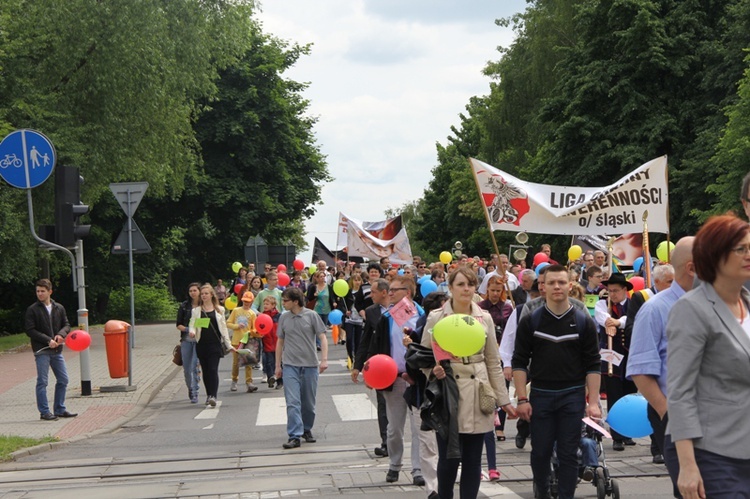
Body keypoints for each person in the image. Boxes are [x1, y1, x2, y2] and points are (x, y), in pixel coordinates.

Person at [665, 215, 750, 498]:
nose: (749, 255)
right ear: (714, 255)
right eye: (741, 249)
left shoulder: (747, 303)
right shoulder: (692, 309)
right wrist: (687, 466)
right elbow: (680, 392)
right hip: (713, 455)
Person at [421, 268, 515, 499]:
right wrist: (432, 371)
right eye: (461, 284)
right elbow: (422, 356)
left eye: (470, 284)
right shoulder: (436, 317)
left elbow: (493, 360)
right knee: (449, 458)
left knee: (473, 459)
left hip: (477, 389)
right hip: (448, 391)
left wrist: (503, 400)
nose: (466, 289)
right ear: (450, 287)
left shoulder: (485, 318)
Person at [513, 264, 601, 499]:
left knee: (568, 453)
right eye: (551, 282)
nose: (557, 287)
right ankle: (542, 493)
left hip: (572, 395)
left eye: (561, 282)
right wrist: (522, 398)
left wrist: (593, 402)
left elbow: (593, 364)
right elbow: (519, 362)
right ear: (543, 286)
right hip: (540, 394)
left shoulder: (584, 321)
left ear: (570, 285)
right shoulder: (531, 321)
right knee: (540, 453)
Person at [626, 237, 694, 494]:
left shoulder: (716, 303)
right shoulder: (655, 309)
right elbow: (640, 370)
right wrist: (669, 413)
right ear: (692, 267)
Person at [367, 275, 430, 487]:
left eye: (395, 290)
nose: (390, 293)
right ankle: (394, 464)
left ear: (408, 293)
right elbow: (376, 347)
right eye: (390, 290)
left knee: (418, 427)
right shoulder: (386, 318)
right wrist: (370, 372)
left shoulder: (422, 316)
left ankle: (418, 469)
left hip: (416, 379)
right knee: (394, 428)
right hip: (392, 379)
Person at [275, 287, 328, 449]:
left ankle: (306, 429)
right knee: (292, 402)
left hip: (310, 366)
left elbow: (322, 337)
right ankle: (294, 435)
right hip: (290, 365)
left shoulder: (311, 315)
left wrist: (324, 360)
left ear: (295, 301)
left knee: (308, 403)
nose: (283, 303)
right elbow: (280, 342)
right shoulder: (284, 318)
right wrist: (278, 365)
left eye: (285, 300)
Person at [25, 278, 77, 421]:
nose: (39, 294)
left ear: (50, 292)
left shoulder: (58, 308)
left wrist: (61, 335)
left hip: (56, 351)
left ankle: (59, 409)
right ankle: (44, 412)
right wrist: (48, 340)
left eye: (42, 291)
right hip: (42, 350)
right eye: (37, 291)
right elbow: (30, 330)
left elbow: (66, 325)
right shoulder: (32, 310)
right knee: (43, 381)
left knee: (63, 379)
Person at [594, 272, 635, 451]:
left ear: (625, 290)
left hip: (630, 356)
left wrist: (617, 322)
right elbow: (602, 318)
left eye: (616, 291)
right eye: (610, 291)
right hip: (611, 356)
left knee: (629, 395)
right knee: (614, 394)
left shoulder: (632, 305)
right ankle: (617, 435)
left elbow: (630, 320)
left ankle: (627, 433)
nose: (612, 294)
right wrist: (610, 321)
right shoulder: (602, 304)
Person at [352, 278, 391, 458]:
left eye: (373, 292)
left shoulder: (399, 308)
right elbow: (365, 340)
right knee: (382, 405)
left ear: (384, 292)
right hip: (381, 364)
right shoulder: (371, 312)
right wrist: (358, 366)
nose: (371, 295)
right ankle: (386, 442)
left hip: (399, 361)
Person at [478, 274, 513, 442]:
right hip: (483, 351)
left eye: (498, 291)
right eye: (492, 290)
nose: (494, 294)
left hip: (501, 351)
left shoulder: (507, 307)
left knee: (502, 388)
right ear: (487, 290)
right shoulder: (479, 307)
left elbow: (510, 330)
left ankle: (500, 427)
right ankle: (485, 423)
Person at [189, 284, 234, 407]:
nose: (203, 296)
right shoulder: (196, 311)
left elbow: (224, 329)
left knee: (213, 369)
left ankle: (213, 395)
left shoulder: (220, 309)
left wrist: (229, 345)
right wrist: (192, 331)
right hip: (202, 344)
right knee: (206, 371)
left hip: (214, 344)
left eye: (206, 293)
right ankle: (209, 395)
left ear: (211, 295)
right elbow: (192, 323)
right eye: (202, 294)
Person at [226, 291, 258, 393]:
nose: (246, 303)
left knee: (248, 362)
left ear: (252, 302)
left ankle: (249, 382)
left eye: (248, 301)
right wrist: (236, 326)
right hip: (236, 341)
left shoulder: (252, 314)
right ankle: (234, 380)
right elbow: (228, 323)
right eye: (244, 301)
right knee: (236, 363)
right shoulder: (236, 310)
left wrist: (250, 332)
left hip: (247, 341)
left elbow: (255, 328)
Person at [176, 282, 202, 403]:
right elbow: (178, 325)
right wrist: (188, 329)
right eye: (190, 291)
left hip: (199, 340)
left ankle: (195, 391)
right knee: (187, 368)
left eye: (194, 290)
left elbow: (206, 322)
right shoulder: (184, 306)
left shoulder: (203, 305)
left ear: (199, 292)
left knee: (194, 366)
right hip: (186, 340)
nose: (192, 293)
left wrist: (195, 328)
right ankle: (190, 388)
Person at [259, 295, 281, 389]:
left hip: (278, 344)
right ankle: (271, 378)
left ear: (273, 305)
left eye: (267, 304)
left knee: (279, 363)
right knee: (269, 363)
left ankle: (280, 381)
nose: (265, 305)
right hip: (267, 343)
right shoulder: (262, 316)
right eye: (264, 304)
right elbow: (260, 328)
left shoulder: (278, 316)